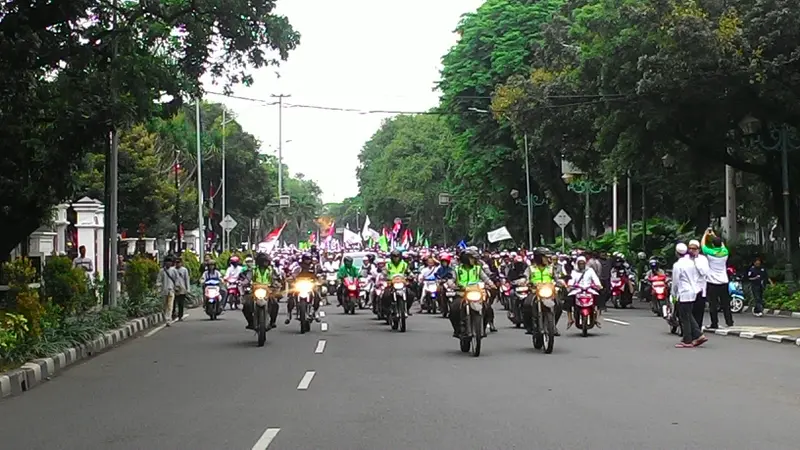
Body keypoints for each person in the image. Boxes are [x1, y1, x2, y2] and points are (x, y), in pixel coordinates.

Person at [450, 249, 496, 338]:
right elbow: (451, 279)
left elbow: (485, 278)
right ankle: (457, 330)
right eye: (471, 258)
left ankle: (483, 327)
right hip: (461, 293)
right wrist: (451, 285)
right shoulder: (457, 269)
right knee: (453, 309)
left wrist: (491, 284)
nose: (474, 260)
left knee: (487, 308)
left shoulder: (477, 268)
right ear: (465, 259)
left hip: (476, 292)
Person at [670, 243, 708, 348]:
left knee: (684, 317)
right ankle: (696, 336)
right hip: (693, 291)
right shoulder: (691, 263)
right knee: (688, 315)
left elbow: (676, 281)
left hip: (684, 292)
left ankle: (688, 339)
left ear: (677, 253)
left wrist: (673, 294)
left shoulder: (677, 265)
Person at [523, 250, 562, 336]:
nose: (547, 259)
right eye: (545, 257)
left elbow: (556, 278)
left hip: (549, 292)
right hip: (534, 291)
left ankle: (553, 326)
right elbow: (525, 277)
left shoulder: (551, 268)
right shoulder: (530, 268)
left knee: (559, 305)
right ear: (539, 258)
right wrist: (524, 281)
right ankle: (529, 326)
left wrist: (561, 282)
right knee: (526, 304)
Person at [701, 228, 733, 329]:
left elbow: (703, 245)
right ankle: (729, 322)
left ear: (713, 245)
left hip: (712, 282)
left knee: (713, 304)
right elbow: (722, 244)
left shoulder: (710, 253)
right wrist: (714, 235)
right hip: (724, 281)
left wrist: (705, 234)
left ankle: (714, 323)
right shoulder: (725, 252)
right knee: (725, 303)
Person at [243, 253, 279, 330]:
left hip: (267, 290)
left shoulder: (270, 270)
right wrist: (244, 283)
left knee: (275, 304)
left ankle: (272, 322)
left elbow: (275, 278)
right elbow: (248, 278)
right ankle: (250, 322)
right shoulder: (254, 270)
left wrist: (276, 284)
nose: (267, 263)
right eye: (265, 261)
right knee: (246, 305)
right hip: (255, 290)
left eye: (267, 261)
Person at [566, 256, 602, 328]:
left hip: (589, 289)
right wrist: (570, 286)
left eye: (583, 263)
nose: (581, 265)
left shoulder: (590, 270)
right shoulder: (574, 271)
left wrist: (598, 285)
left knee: (599, 299)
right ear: (577, 264)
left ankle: (597, 318)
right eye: (580, 263)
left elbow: (595, 279)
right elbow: (571, 280)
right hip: (577, 290)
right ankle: (570, 319)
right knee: (568, 300)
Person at [287, 253, 321, 325]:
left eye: (309, 259)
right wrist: (291, 278)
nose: (307, 261)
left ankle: (315, 312)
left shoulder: (313, 267)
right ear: (303, 259)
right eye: (306, 259)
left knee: (317, 296)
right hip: (299, 285)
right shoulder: (298, 267)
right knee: (290, 296)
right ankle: (289, 314)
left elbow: (318, 275)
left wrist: (318, 279)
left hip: (310, 285)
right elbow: (293, 274)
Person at [382, 250, 415, 316]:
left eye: (397, 256)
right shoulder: (388, 265)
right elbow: (384, 272)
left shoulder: (404, 264)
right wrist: (385, 276)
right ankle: (387, 310)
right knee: (385, 295)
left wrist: (411, 276)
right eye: (394, 257)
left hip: (402, 283)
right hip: (391, 283)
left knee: (411, 294)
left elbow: (409, 272)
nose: (396, 258)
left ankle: (407, 309)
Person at [156, 257, 178, 326]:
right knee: (164, 305)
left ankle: (168, 319)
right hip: (164, 290)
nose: (168, 263)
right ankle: (166, 317)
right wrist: (158, 288)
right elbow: (159, 280)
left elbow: (176, 279)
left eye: (170, 262)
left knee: (170, 305)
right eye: (167, 262)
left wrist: (177, 287)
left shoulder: (174, 270)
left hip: (171, 290)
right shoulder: (161, 271)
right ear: (165, 263)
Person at [172, 257, 190, 322]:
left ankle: (180, 316)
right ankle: (173, 314)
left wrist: (188, 289)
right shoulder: (172, 270)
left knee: (181, 303)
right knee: (173, 302)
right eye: (176, 262)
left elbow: (186, 279)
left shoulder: (184, 270)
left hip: (182, 289)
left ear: (181, 263)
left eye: (178, 262)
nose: (177, 264)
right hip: (173, 288)